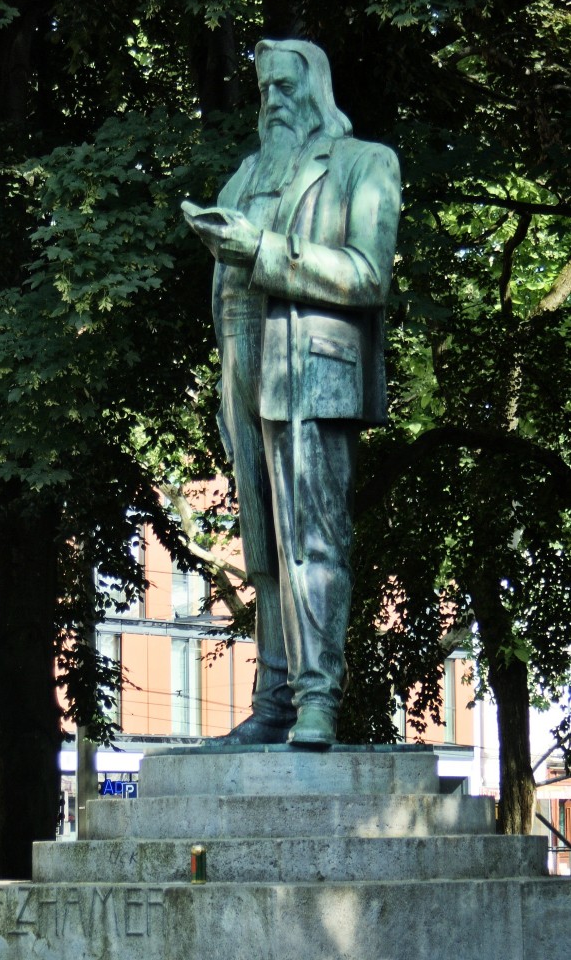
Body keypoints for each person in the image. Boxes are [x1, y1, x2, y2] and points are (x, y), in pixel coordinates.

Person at [183, 39, 401, 747]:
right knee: (263, 549)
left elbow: (369, 275)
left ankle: (316, 702)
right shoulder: (243, 175)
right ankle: (274, 698)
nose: (271, 101)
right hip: (244, 368)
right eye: (264, 88)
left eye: (284, 87)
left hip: (312, 366)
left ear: (316, 87)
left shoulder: (365, 164)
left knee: (312, 538)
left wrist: (260, 250)